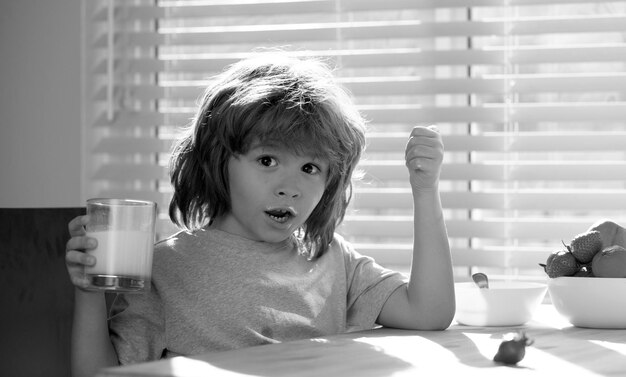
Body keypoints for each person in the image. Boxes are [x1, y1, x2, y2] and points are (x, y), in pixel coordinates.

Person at [65, 52, 455, 377]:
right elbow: (102, 375)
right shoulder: (166, 270)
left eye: (310, 168)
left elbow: (429, 312)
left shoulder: (331, 257)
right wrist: (88, 294)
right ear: (218, 162)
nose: (291, 187)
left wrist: (425, 190)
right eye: (267, 160)